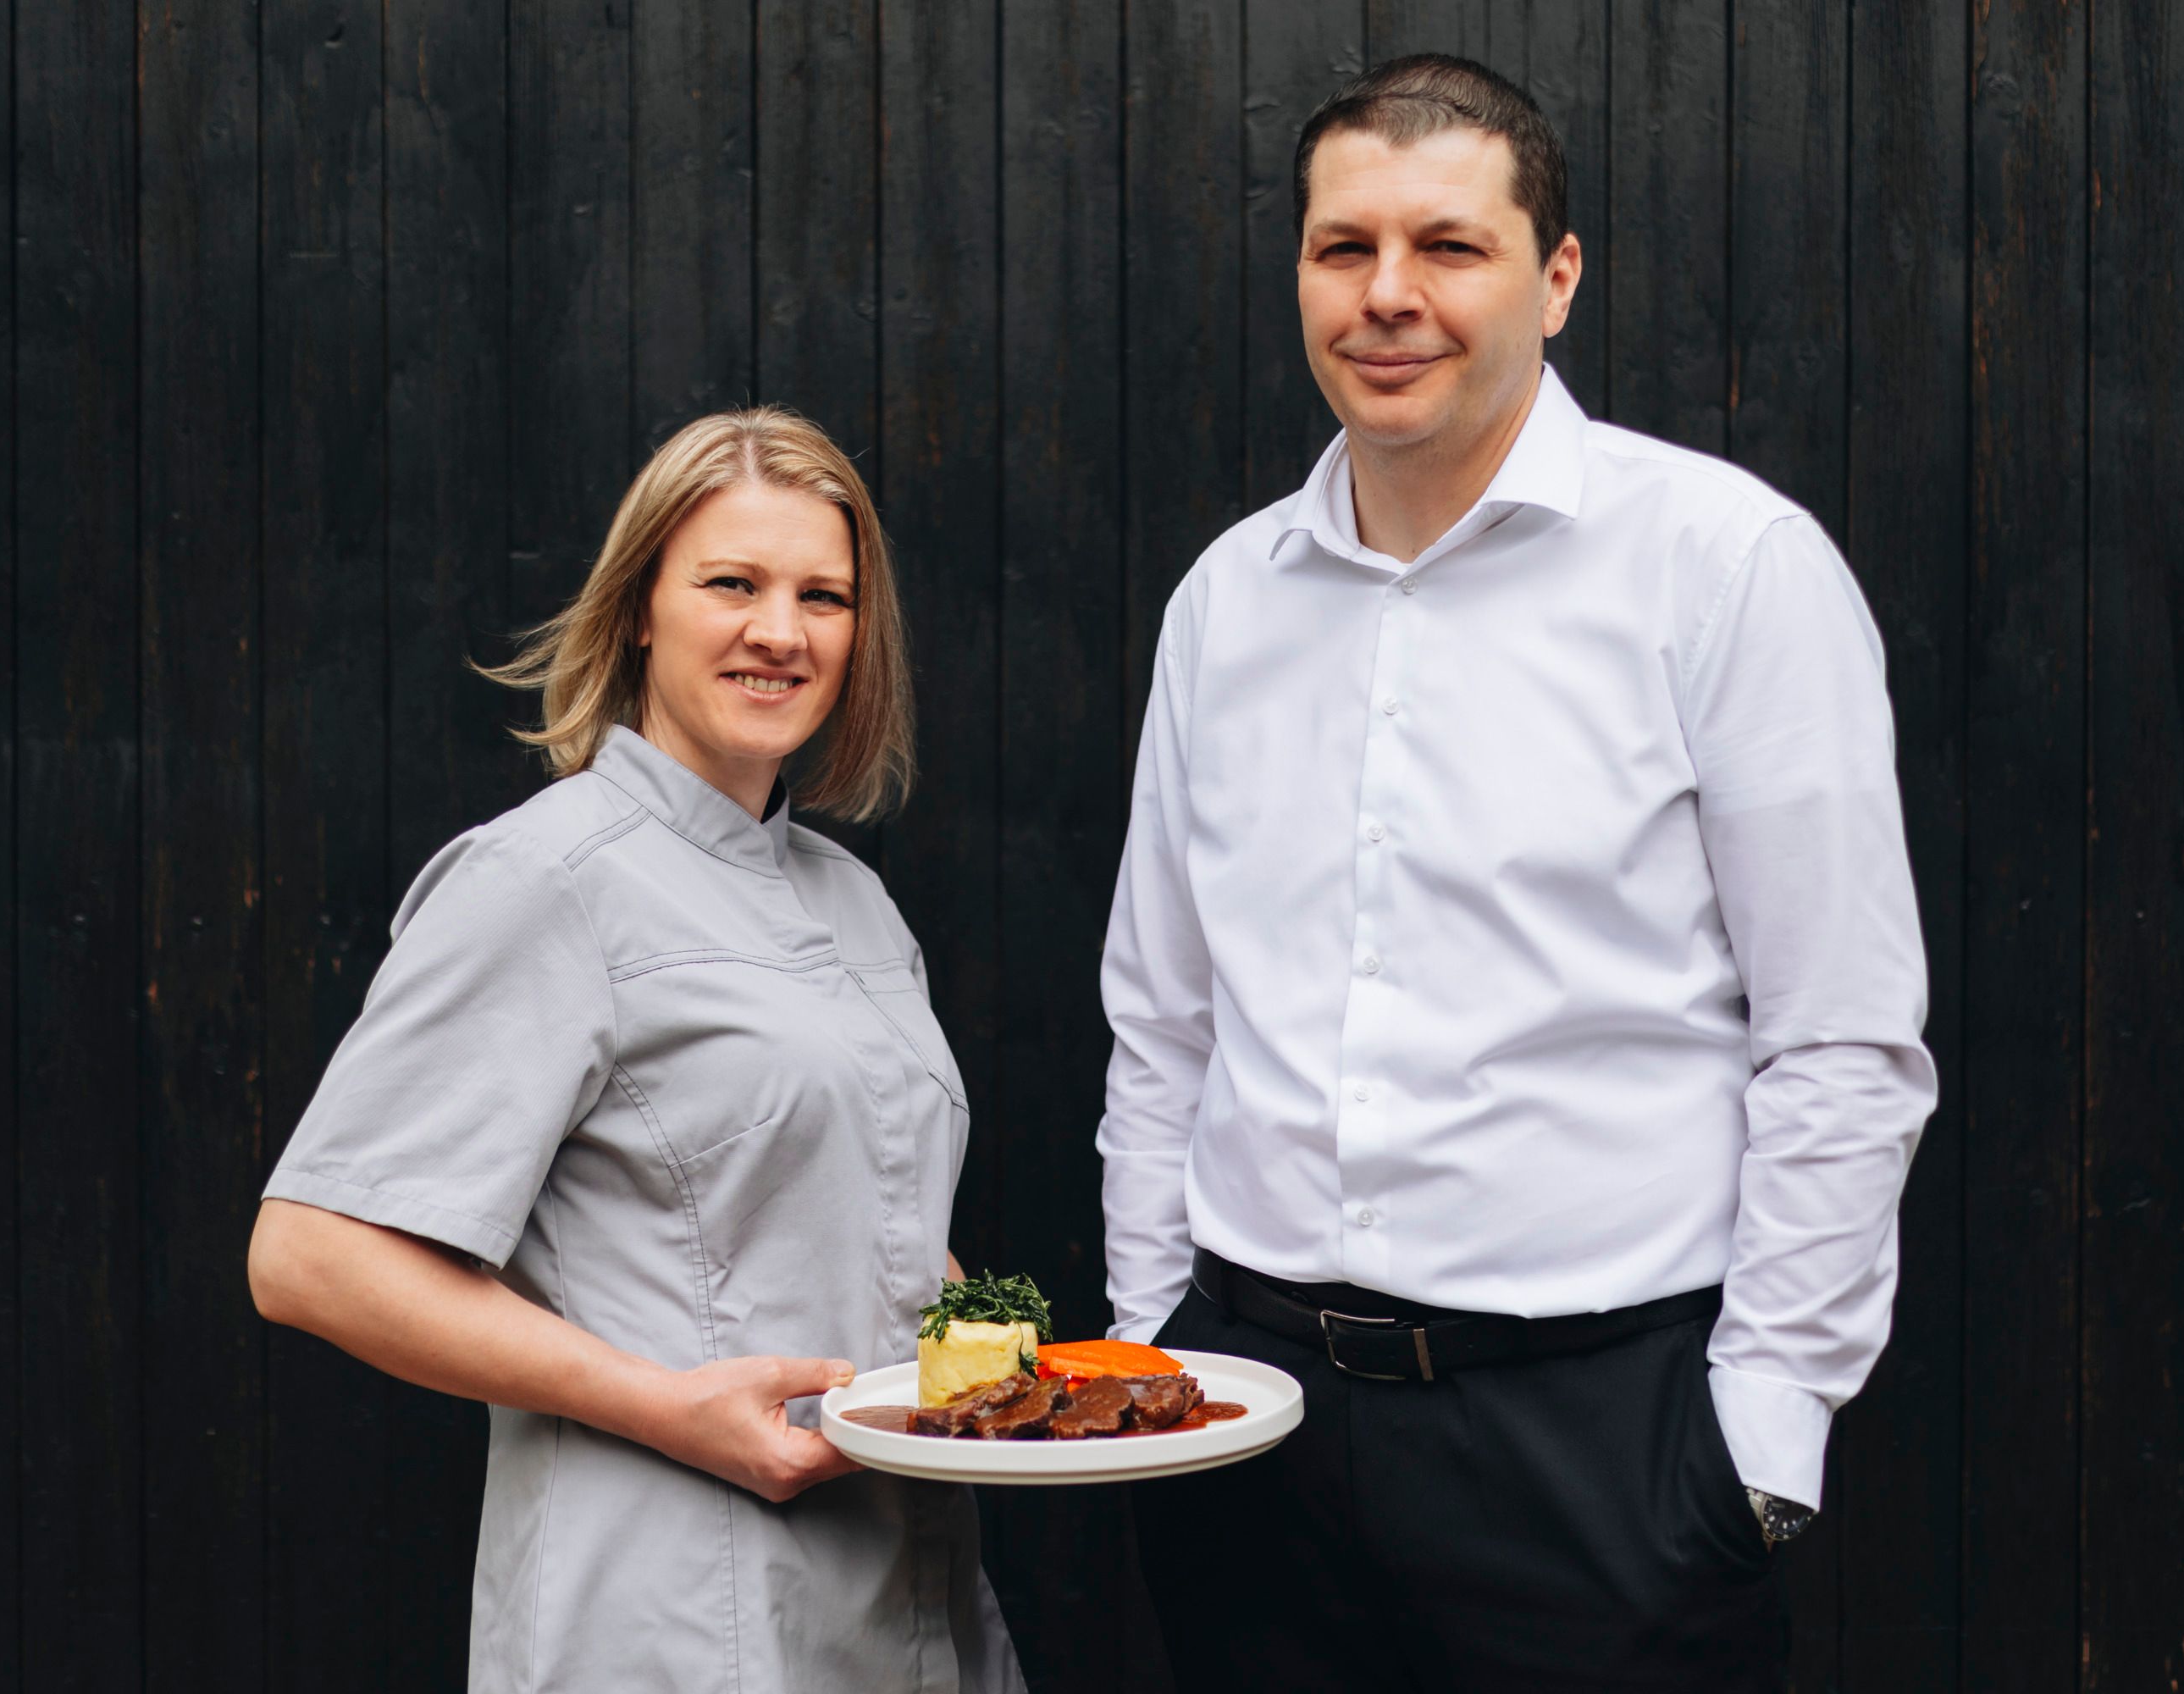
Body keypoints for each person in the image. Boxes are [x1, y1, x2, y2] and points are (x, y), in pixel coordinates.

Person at [1098, 55, 1934, 1690]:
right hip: (1246, 1418)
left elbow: (1841, 1038)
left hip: (1601, 1451)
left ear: (1556, 278)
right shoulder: (1227, 601)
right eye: (1344, 250)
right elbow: (1164, 1017)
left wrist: (1758, 1434)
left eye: (1449, 247)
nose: (1388, 297)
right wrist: (1150, 1343)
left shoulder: (1726, 567)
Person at [247, 409, 1025, 1693]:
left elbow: (856, 1206)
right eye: (733, 583)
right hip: (672, 1609)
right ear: (641, 611)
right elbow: (312, 1256)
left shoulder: (855, 905)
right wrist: (674, 1410)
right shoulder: (545, 879)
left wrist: (1007, 1369)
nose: (781, 630)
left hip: (911, 1595)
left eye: (823, 595)